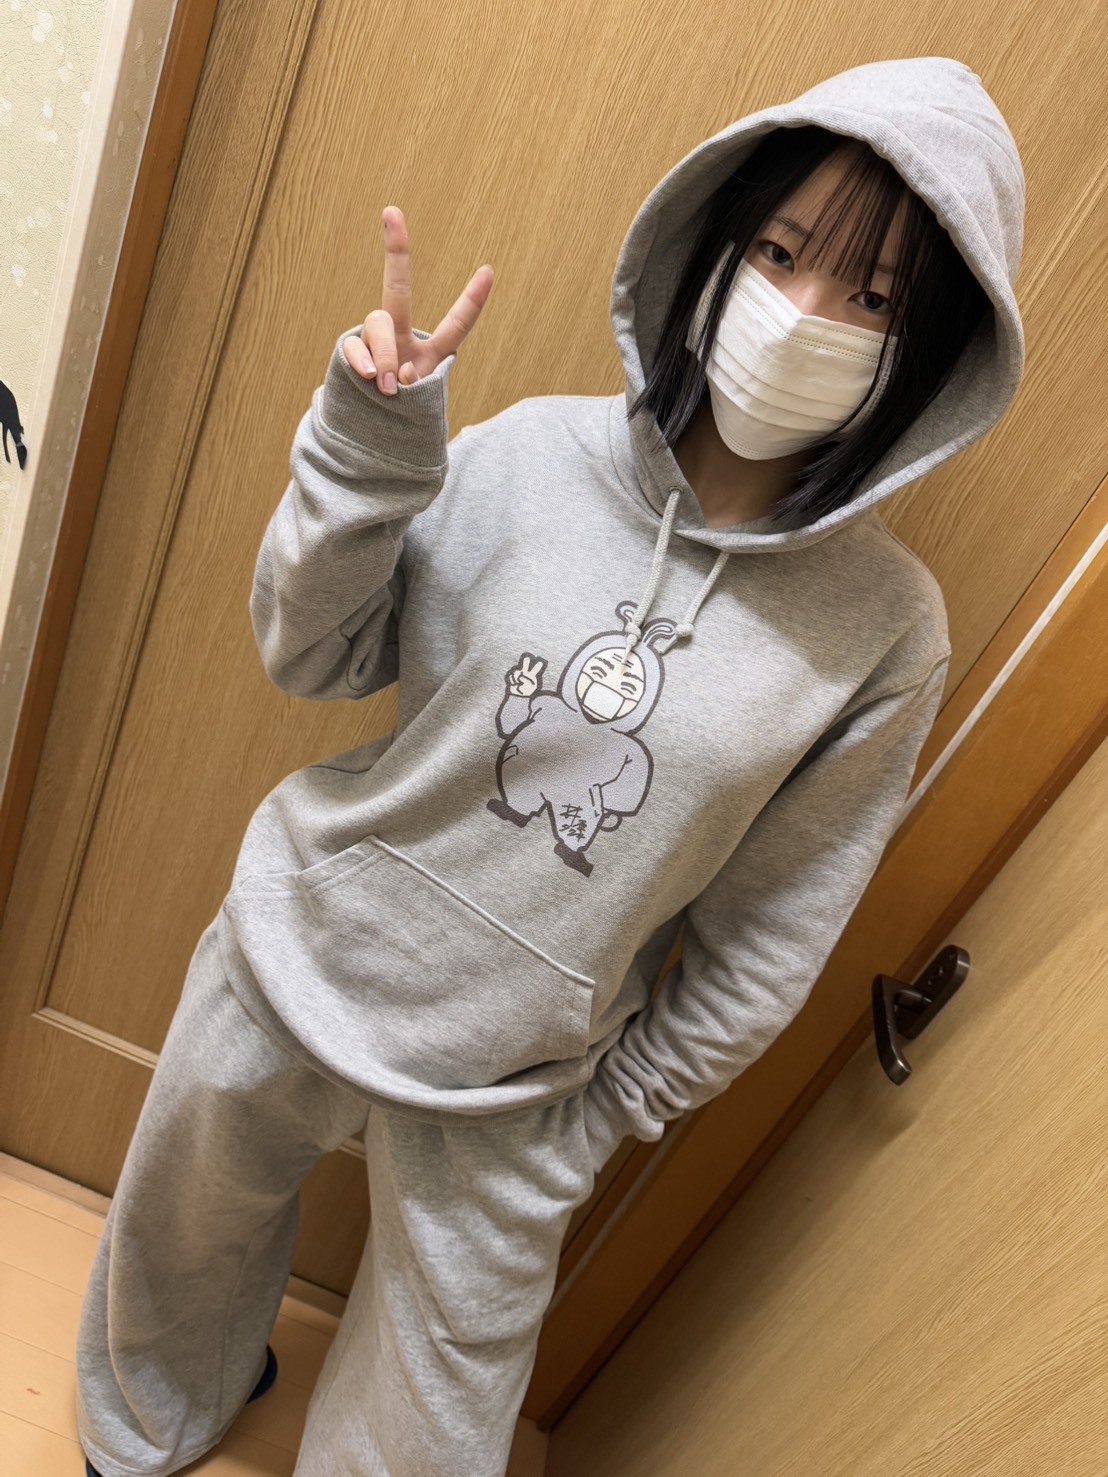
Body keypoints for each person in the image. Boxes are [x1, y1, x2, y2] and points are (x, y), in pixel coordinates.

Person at [76, 53, 1024, 1477]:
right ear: (716, 244)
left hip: (525, 1086)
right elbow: (311, 652)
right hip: (304, 947)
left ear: (928, 356)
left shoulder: (887, 632)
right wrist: (367, 449)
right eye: (780, 253)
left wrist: (604, 1119)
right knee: (178, 1238)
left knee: (431, 1433)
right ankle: (145, 1422)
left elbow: (767, 939)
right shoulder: (527, 452)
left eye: (875, 298)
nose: (804, 314)